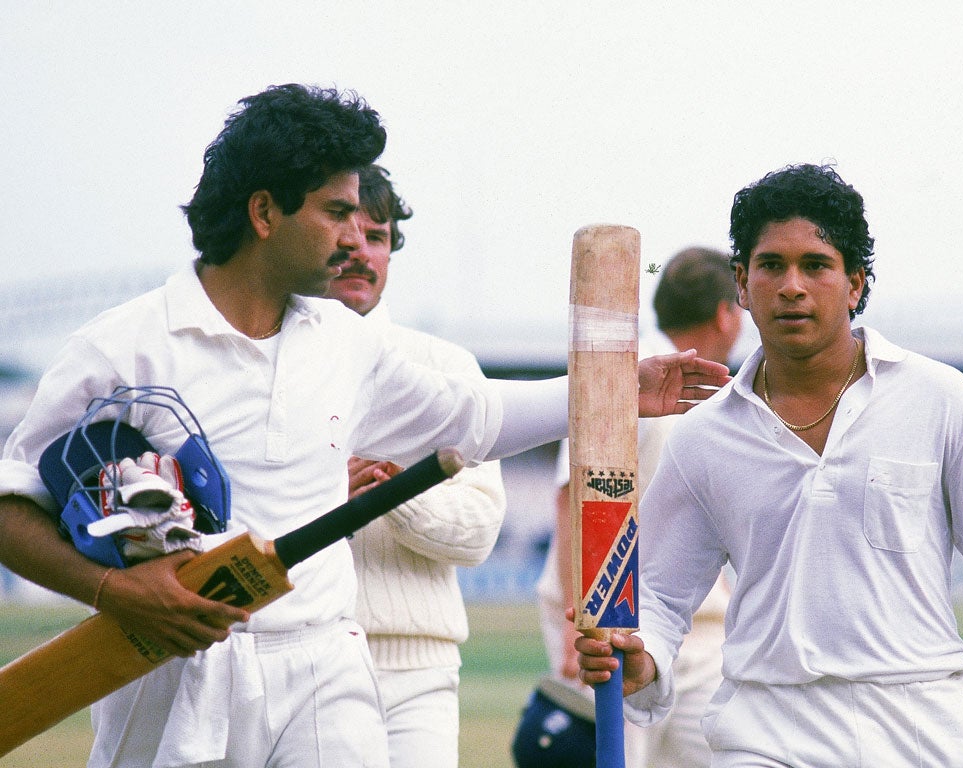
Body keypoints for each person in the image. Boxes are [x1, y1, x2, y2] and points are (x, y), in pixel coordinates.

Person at [0, 83, 730, 768]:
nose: (356, 237)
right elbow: (10, 509)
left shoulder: (346, 340)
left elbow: (477, 417)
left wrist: (612, 389)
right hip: (174, 673)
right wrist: (115, 592)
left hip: (324, 664)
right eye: (335, 212)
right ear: (263, 213)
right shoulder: (122, 345)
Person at [575, 163, 963, 767]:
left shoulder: (940, 399)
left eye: (816, 265)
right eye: (771, 265)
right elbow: (655, 589)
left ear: (856, 283)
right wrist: (643, 654)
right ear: (741, 282)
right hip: (768, 732)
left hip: (924, 729)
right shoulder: (705, 436)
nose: (792, 286)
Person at [524, 247, 744, 768]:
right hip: (617, 629)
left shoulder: (717, 396)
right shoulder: (629, 376)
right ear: (724, 313)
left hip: (702, 635)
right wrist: (581, 630)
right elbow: (570, 499)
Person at [325, 163, 507, 768]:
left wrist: (395, 492)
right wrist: (326, 495)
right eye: (346, 237)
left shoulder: (446, 364)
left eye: (377, 239)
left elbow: (479, 531)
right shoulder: (265, 364)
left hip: (420, 672)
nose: (360, 255)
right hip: (304, 657)